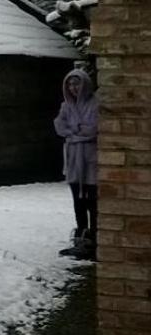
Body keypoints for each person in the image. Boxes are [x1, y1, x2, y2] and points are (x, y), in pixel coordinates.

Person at [54, 67, 99, 260]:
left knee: (93, 202)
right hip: (73, 161)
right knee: (78, 203)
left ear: (85, 84)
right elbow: (59, 126)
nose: (73, 88)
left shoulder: (96, 104)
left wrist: (76, 132)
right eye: (70, 84)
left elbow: (94, 129)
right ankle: (81, 238)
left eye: (76, 83)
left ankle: (95, 239)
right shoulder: (66, 106)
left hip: (91, 160)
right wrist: (78, 131)